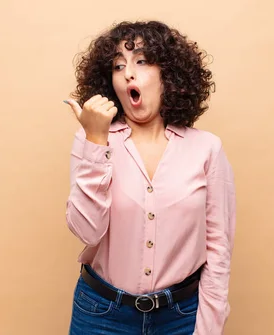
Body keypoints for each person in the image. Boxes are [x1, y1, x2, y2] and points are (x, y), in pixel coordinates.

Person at [63, 20, 236, 335]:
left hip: (181, 316)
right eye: (118, 66)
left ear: (167, 74)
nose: (128, 73)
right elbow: (88, 231)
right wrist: (95, 141)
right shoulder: (90, 139)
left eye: (141, 61)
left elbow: (218, 249)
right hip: (101, 314)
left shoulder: (207, 148)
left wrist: (208, 328)